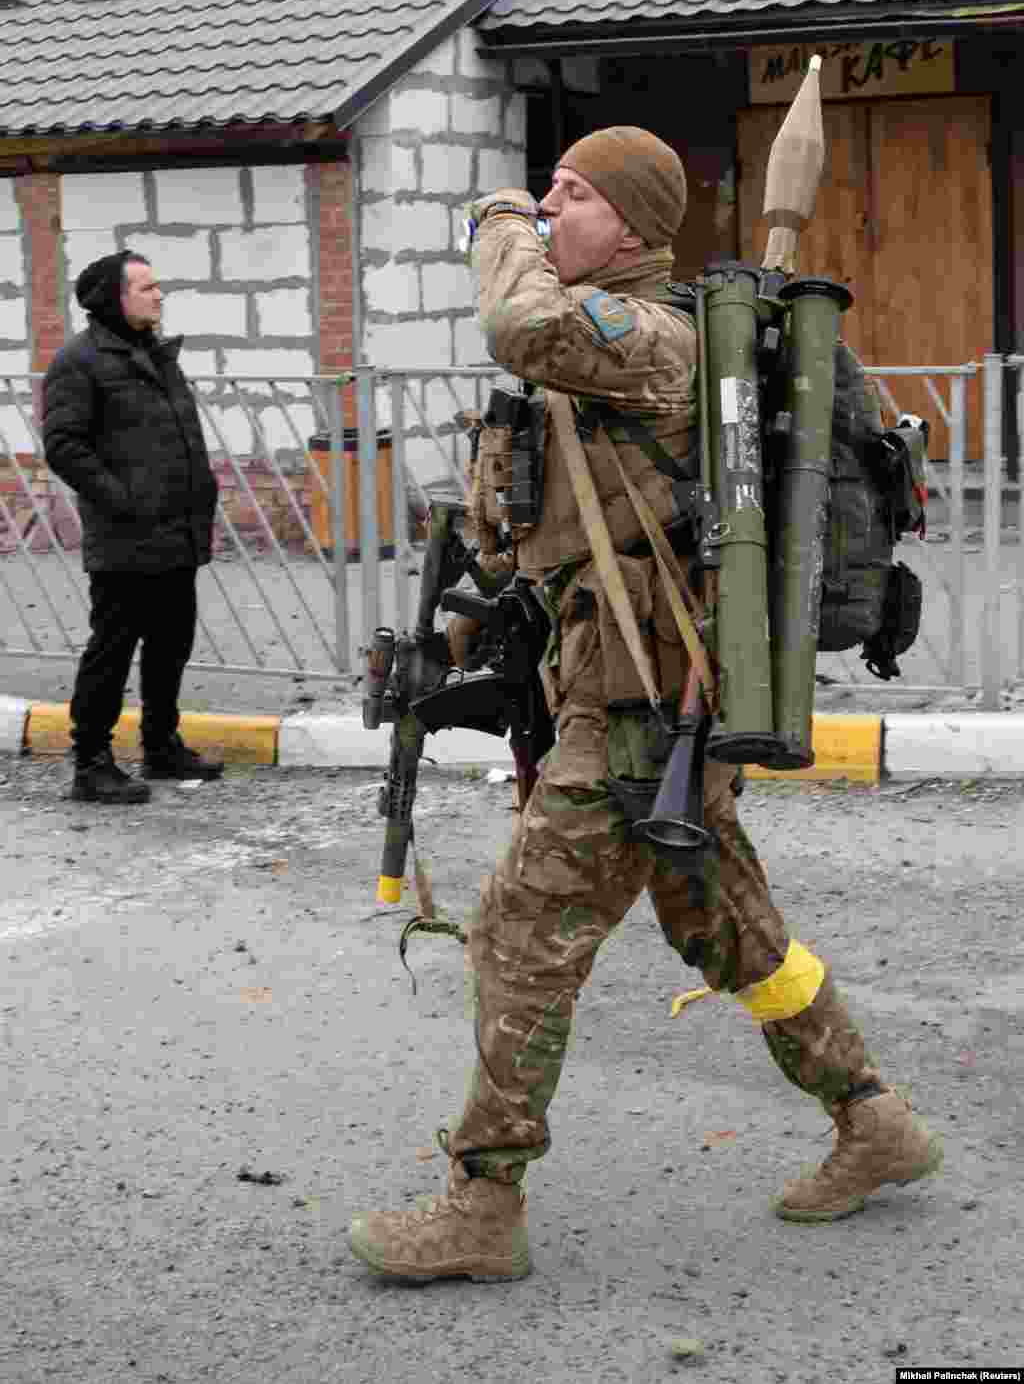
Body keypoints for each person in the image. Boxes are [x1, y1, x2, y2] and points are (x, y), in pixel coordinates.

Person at [348, 127, 942, 1282]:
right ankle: (873, 1121)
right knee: (729, 927)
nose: (550, 210)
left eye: (572, 195)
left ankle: (483, 1201)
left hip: (645, 705)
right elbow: (551, 551)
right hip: (620, 694)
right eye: (547, 193)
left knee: (521, 937)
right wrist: (464, 656)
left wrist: (499, 217)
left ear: (627, 226)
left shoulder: (648, 335)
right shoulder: (587, 358)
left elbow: (521, 320)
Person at [42, 252, 223, 804]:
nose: (159, 295)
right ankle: (91, 763)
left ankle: (160, 745)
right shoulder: (81, 360)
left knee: (171, 643)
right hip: (125, 536)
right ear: (113, 299)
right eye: (146, 287)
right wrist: (123, 499)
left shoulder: (154, 353)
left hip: (177, 530)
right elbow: (63, 445)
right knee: (113, 649)